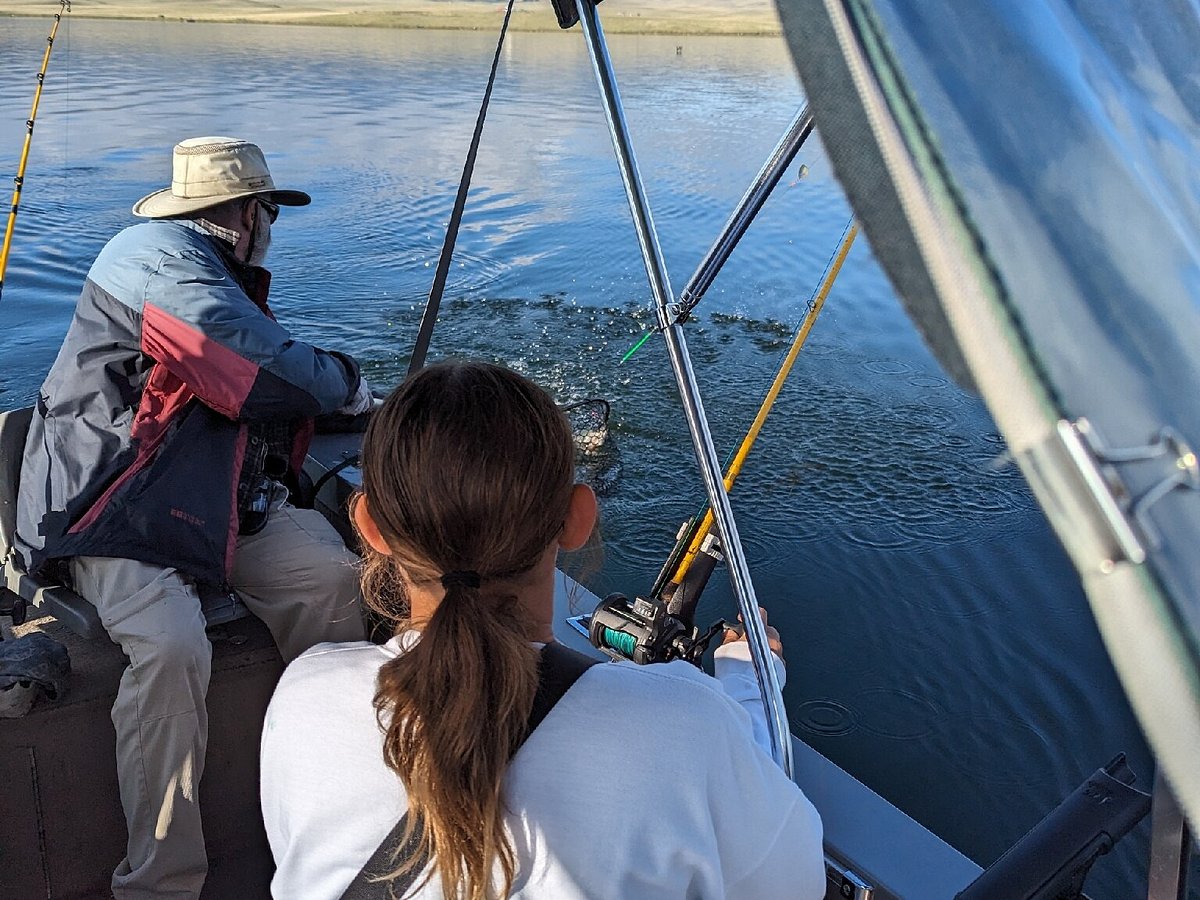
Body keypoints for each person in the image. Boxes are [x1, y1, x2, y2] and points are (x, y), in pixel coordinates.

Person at [260, 361, 826, 900]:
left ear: (370, 528)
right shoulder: (689, 728)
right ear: (579, 518)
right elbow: (793, 883)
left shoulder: (304, 698)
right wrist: (748, 681)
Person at [13, 136, 372, 899]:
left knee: (335, 585)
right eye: (269, 211)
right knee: (173, 647)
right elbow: (260, 369)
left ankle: (337, 825)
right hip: (112, 505)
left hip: (210, 497)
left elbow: (253, 364)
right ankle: (160, 883)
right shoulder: (158, 260)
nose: (270, 226)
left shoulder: (203, 265)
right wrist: (347, 384)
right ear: (246, 213)